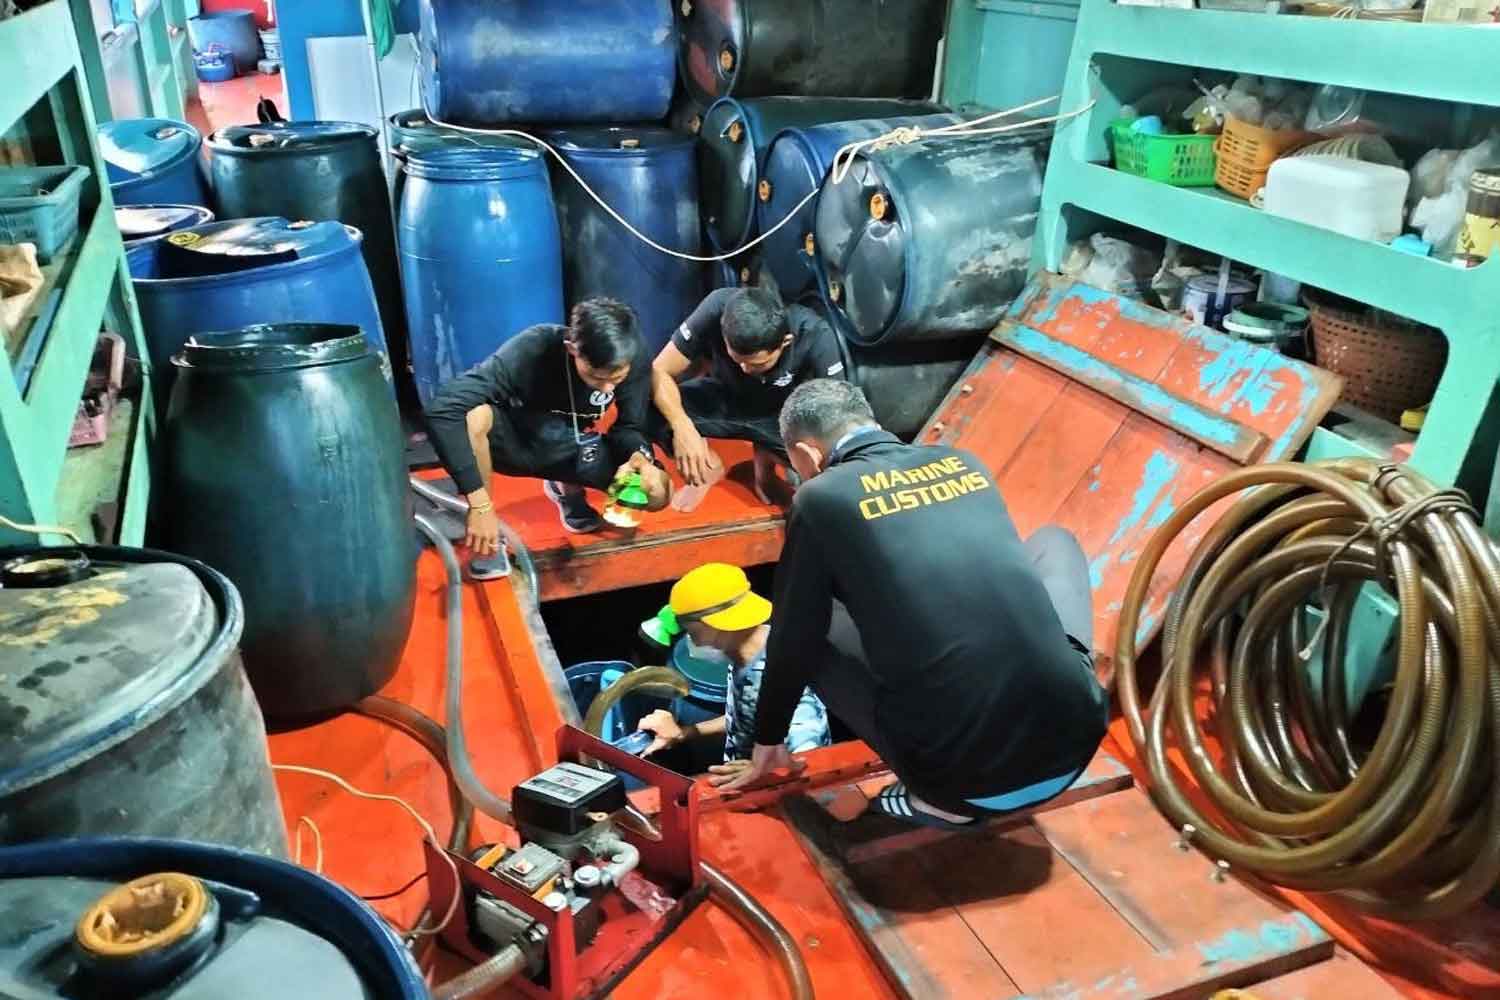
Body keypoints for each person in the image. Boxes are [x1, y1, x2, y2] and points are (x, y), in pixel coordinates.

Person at [715, 380, 1108, 830]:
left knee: (807, 626)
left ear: (805, 456)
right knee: (1052, 542)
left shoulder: (820, 497)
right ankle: (1060, 687)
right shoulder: (962, 463)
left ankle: (930, 802)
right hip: (1075, 748)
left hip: (960, 785)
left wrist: (767, 740)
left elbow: (792, 637)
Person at [424, 298, 672, 548]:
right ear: (571, 349)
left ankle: (565, 489)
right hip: (515, 440)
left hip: (570, 445)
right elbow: (442, 409)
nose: (608, 388)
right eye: (596, 378)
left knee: (656, 494)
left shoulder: (634, 356)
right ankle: (486, 523)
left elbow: (630, 427)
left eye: (617, 379)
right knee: (474, 417)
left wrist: (640, 459)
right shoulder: (534, 347)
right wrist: (479, 504)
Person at [650, 287, 848, 505]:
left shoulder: (815, 334)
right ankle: (707, 466)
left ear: (785, 343)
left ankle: (765, 467)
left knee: (832, 468)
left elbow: (839, 414)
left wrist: (815, 458)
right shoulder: (717, 308)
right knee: (648, 407)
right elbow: (658, 370)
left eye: (758, 364)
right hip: (725, 399)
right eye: (737, 360)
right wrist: (683, 427)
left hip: (782, 419)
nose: (745, 369)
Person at [634, 563, 831, 766]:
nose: (695, 644)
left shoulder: (777, 675)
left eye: (693, 634)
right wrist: (685, 733)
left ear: (718, 626)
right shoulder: (740, 655)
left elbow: (809, 758)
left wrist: (765, 772)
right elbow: (744, 720)